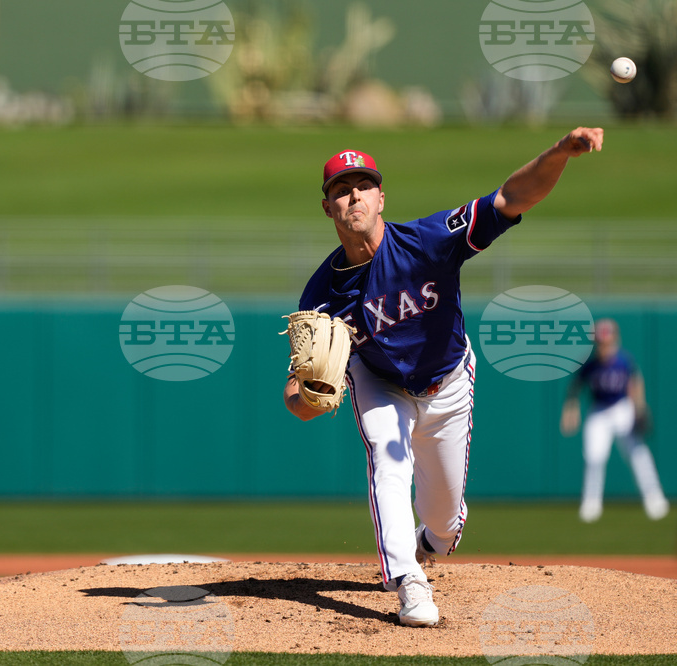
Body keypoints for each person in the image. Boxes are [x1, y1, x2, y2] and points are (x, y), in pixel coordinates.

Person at [283, 128, 604, 627]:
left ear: (380, 196)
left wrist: (560, 152)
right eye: (342, 189)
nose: (354, 195)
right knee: (387, 464)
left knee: (444, 526)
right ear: (328, 208)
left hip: (449, 381)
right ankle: (408, 582)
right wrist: (308, 395)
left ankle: (428, 543)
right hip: (381, 384)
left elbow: (510, 198)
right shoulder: (321, 295)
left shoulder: (427, 241)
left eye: (363, 185)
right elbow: (296, 398)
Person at [560, 318, 669, 523]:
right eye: (600, 343)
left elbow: (635, 382)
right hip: (599, 412)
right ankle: (591, 503)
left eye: (607, 342)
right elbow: (574, 388)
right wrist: (570, 411)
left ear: (614, 340)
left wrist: (640, 408)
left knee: (638, 454)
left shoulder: (623, 360)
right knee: (594, 457)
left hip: (622, 408)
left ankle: (654, 498)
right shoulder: (590, 365)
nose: (604, 347)